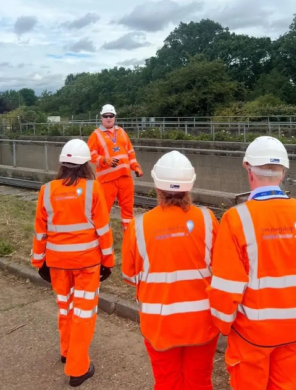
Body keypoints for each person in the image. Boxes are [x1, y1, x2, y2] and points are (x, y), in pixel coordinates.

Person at [207, 136, 296, 390]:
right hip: (294, 332)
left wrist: (224, 325)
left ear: (248, 168)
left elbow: (226, 286)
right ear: (284, 172)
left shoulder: (236, 219)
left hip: (249, 335)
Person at [122, 151, 220, 390]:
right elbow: (221, 270)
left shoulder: (139, 225)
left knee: (166, 383)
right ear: (189, 185)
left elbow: (130, 275)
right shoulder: (208, 220)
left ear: (157, 186)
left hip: (160, 325)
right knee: (200, 383)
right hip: (202, 323)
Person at [31, 139, 116, 387]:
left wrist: (39, 261)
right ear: (86, 164)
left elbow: (40, 231)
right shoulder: (93, 189)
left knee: (65, 307)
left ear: (62, 163)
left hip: (57, 263)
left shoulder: (47, 190)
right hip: (87, 263)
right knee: (83, 313)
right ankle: (78, 367)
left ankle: (67, 350)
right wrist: (108, 261)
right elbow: (103, 229)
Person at [86, 104, 143, 231]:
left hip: (125, 177)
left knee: (128, 209)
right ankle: (101, 235)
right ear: (101, 117)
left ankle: (128, 234)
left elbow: (130, 152)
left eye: (110, 115)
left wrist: (136, 167)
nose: (108, 118)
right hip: (107, 180)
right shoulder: (96, 135)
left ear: (115, 117)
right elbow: (90, 154)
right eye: (105, 116)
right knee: (103, 209)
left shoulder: (122, 132)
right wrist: (104, 160)